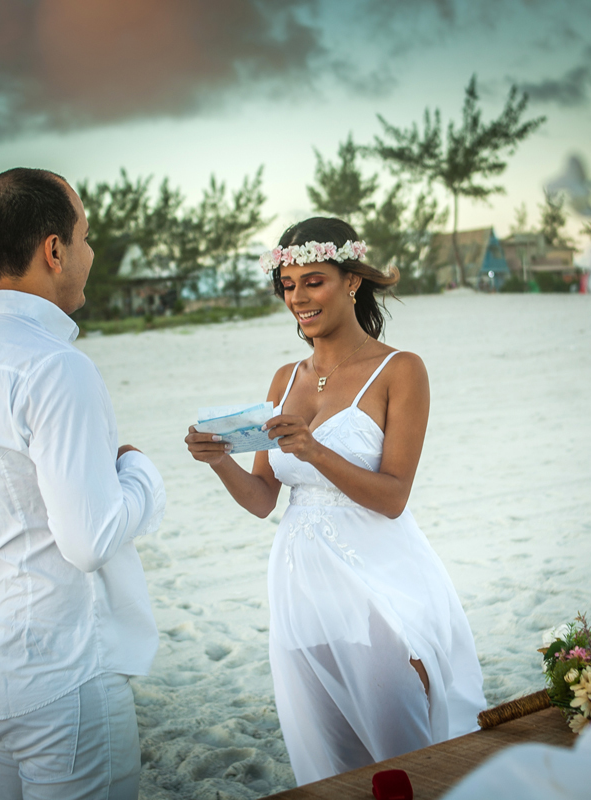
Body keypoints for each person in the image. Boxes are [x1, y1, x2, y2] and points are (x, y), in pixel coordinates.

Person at [184, 217, 486, 785]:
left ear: (352, 281)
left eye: (313, 281)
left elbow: (394, 497)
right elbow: (261, 500)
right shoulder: (283, 378)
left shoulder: (401, 370)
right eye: (289, 285)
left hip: (379, 577)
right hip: (300, 583)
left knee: (405, 751)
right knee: (333, 761)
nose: (298, 297)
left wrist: (317, 452)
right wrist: (219, 458)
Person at [0, 168, 166, 800]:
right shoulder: (56, 368)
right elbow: (90, 539)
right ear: (54, 250)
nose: (92, 252)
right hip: (63, 673)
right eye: (86, 236)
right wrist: (143, 477)